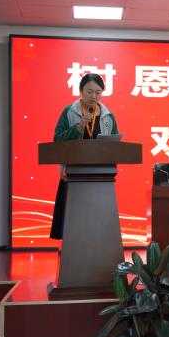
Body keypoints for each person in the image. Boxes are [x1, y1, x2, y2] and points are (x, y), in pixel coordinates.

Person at [50, 73, 119, 240]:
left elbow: (115, 145)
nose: (94, 96)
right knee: (73, 222)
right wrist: (79, 127)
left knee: (98, 224)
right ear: (81, 91)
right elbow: (57, 139)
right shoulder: (69, 111)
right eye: (89, 91)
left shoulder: (108, 115)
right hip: (73, 173)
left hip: (100, 176)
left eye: (98, 92)